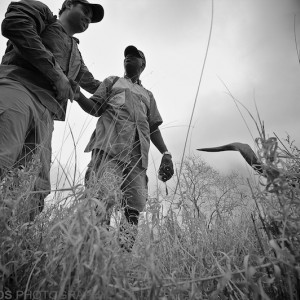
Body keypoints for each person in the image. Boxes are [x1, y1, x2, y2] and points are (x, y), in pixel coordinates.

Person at [0, 0, 104, 221]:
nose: (88, 19)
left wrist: (121, 86)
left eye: (91, 19)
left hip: (46, 114)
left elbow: (95, 85)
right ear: (68, 5)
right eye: (85, 11)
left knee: (34, 187)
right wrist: (57, 74)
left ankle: (13, 244)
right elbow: (15, 24)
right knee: (3, 154)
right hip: (18, 88)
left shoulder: (76, 54)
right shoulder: (44, 15)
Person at [74, 45, 174, 250]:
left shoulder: (148, 95)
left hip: (138, 160)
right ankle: (95, 252)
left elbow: (153, 127)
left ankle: (123, 257)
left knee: (133, 208)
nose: (128, 58)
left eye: (134, 57)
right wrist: (77, 95)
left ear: (143, 64)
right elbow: (95, 108)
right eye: (126, 56)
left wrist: (166, 152)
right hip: (110, 150)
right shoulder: (112, 82)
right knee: (102, 200)